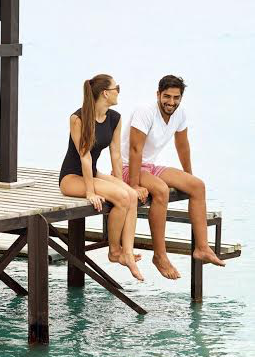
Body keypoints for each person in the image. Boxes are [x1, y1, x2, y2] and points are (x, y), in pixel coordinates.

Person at [122, 75, 225, 280]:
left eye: (176, 97)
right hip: (127, 167)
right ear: (158, 94)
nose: (171, 102)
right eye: (167, 96)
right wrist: (134, 185)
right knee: (161, 190)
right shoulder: (145, 112)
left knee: (197, 186)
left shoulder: (180, 114)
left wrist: (187, 176)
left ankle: (202, 248)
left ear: (181, 98)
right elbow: (135, 149)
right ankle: (160, 256)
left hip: (150, 167)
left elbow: (182, 145)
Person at [59, 74, 148, 281]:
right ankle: (114, 251)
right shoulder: (78, 119)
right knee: (122, 197)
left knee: (131, 195)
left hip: (94, 172)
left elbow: (115, 154)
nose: (119, 92)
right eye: (117, 88)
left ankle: (127, 253)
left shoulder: (114, 118)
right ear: (106, 93)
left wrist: (121, 183)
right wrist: (90, 192)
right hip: (71, 177)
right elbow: (85, 156)